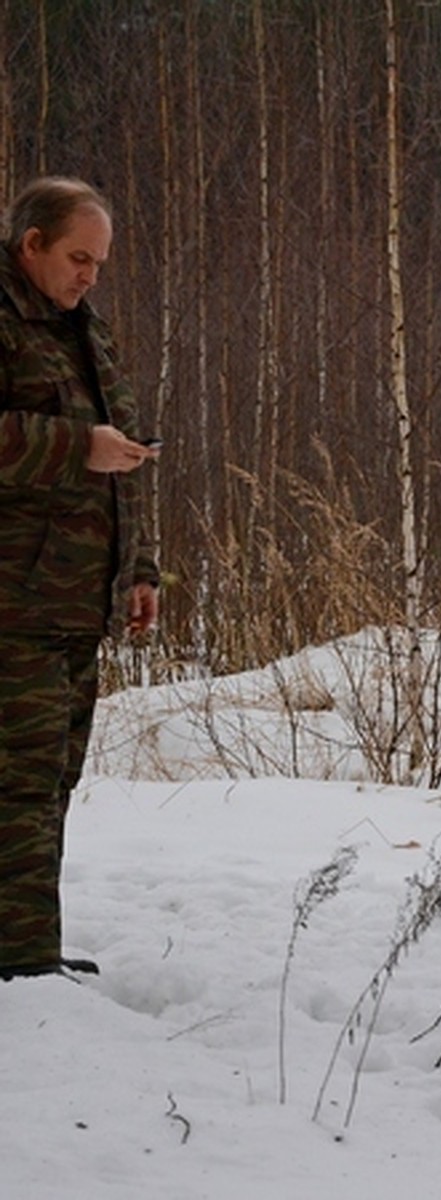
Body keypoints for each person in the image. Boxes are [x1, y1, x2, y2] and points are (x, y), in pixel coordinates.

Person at [0, 176, 160, 982]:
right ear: (31, 246)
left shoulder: (81, 329)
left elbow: (119, 449)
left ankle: (29, 948)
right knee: (16, 783)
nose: (90, 275)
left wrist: (141, 569)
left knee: (51, 781)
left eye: (99, 262)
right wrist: (76, 447)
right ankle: (19, 962)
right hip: (13, 603)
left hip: (74, 601)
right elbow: (76, 445)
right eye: (78, 258)